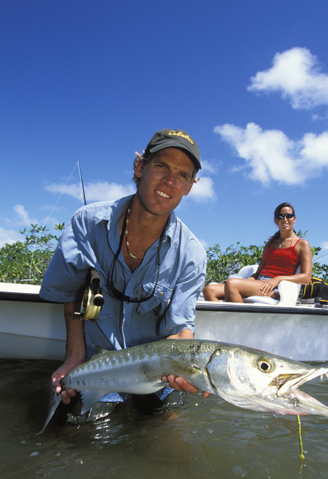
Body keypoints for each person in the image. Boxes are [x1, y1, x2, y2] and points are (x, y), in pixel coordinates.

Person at [39, 128, 209, 423]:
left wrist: (186, 369)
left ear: (190, 187)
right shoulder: (87, 224)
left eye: (182, 175)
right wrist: (74, 357)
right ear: (139, 167)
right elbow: (70, 294)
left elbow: (180, 328)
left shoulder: (192, 255)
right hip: (97, 364)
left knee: (170, 433)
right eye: (161, 166)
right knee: (68, 435)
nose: (170, 180)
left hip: (157, 375)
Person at [220, 203, 312, 303]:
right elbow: (259, 271)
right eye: (281, 216)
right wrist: (251, 278)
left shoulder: (302, 244)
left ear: (294, 219)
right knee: (209, 290)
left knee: (232, 284)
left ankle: (240, 318)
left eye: (289, 216)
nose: (285, 219)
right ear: (275, 220)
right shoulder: (270, 244)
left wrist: (278, 279)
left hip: (276, 288)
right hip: (260, 283)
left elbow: (306, 278)